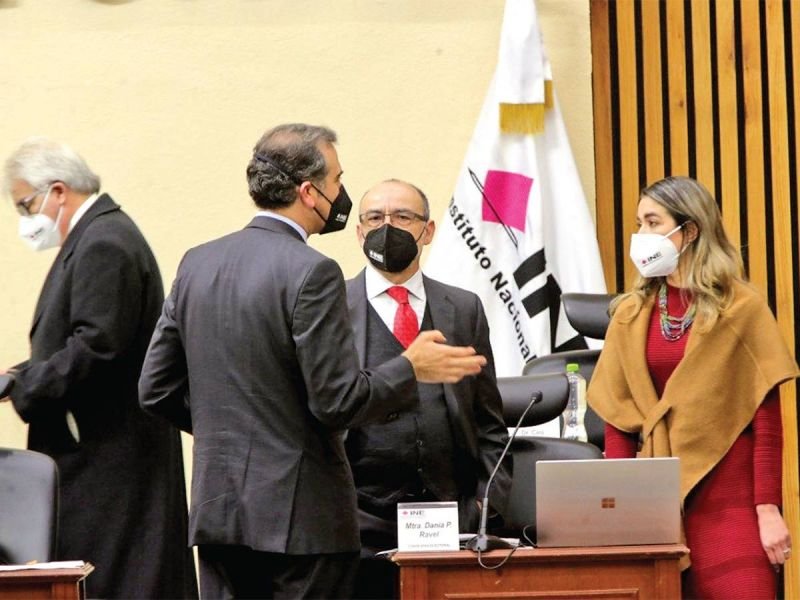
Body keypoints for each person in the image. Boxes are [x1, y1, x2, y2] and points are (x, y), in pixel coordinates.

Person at [138, 124, 488, 599]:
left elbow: (155, 389)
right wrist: (409, 367)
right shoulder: (313, 271)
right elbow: (337, 401)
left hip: (220, 513)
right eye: (337, 181)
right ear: (308, 192)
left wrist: (237, 432)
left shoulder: (197, 262)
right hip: (301, 520)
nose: (340, 193)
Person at [0, 138, 197, 599]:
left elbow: (98, 346)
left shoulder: (104, 242)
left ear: (59, 191)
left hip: (110, 462)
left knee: (114, 579)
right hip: (106, 458)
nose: (26, 219)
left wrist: (24, 384)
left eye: (27, 205)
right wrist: (18, 376)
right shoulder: (98, 236)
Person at [587, 176, 796, 599]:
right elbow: (618, 420)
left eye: (652, 223)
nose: (641, 235)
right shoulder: (629, 314)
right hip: (654, 503)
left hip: (732, 501)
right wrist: (620, 512)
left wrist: (768, 509)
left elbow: (766, 421)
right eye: (639, 223)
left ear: (690, 230)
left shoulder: (742, 307)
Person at [344, 179, 511, 598]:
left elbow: (489, 422)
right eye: (374, 218)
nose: (387, 227)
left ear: (428, 230)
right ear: (359, 232)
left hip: (451, 523)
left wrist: (484, 506)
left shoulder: (464, 308)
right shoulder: (330, 308)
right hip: (358, 527)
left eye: (403, 216)